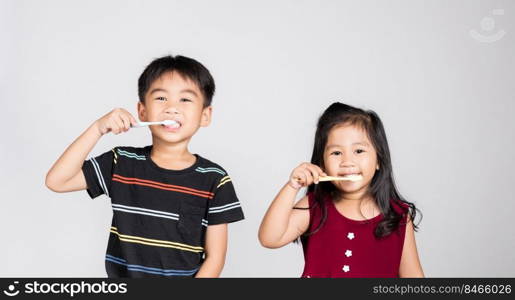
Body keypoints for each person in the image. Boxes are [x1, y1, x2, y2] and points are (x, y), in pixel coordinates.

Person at [46, 55, 244, 278]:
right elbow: (57, 181)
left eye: (185, 100)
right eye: (161, 98)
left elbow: (215, 257)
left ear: (205, 115)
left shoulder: (215, 178)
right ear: (142, 111)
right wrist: (97, 129)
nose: (172, 109)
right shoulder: (121, 162)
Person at [258, 102, 423, 277]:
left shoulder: (399, 216)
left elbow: (413, 276)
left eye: (359, 151)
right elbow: (270, 238)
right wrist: (292, 186)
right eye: (336, 153)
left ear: (378, 160)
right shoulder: (314, 206)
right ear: (322, 163)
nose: (347, 162)